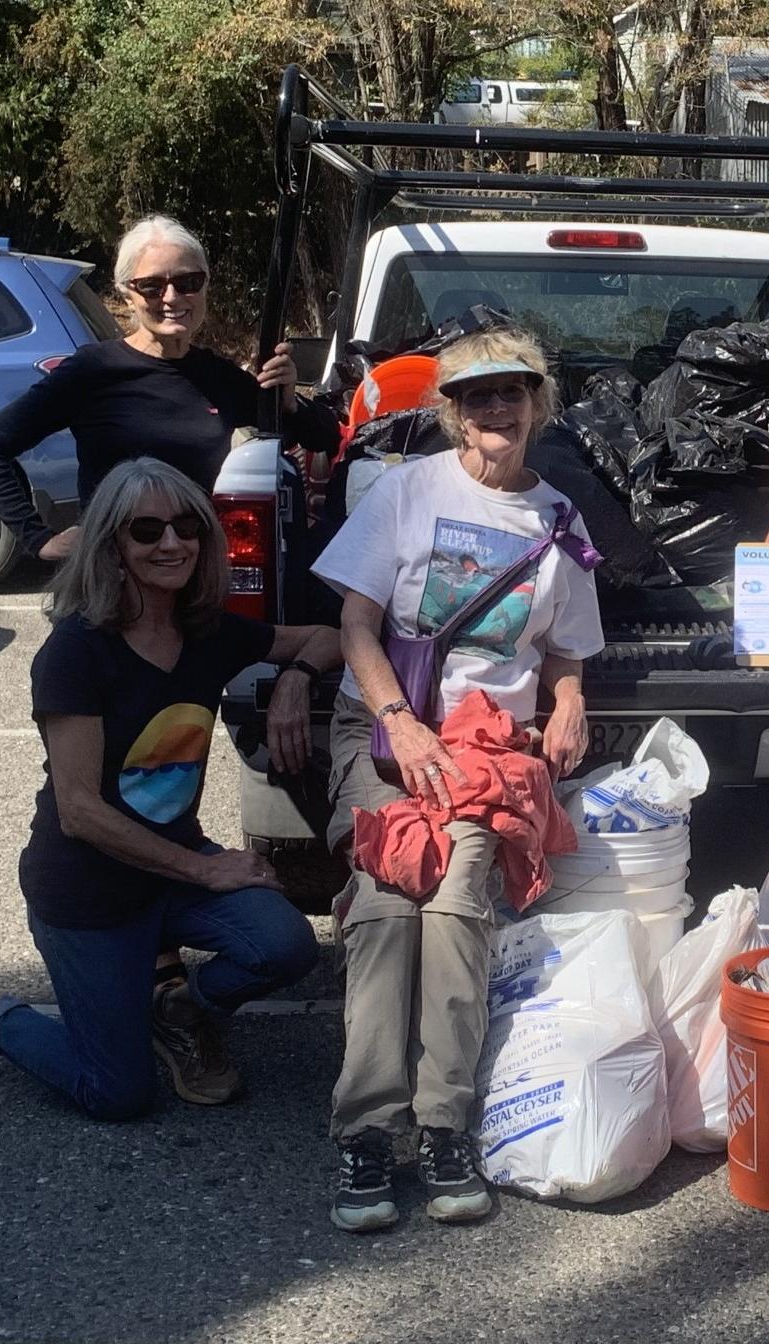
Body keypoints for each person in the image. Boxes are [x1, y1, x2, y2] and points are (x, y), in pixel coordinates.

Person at [0, 458, 336, 1116]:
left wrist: (297, 681)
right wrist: (207, 869)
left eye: (187, 526)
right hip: (89, 891)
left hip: (169, 873)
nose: (171, 543)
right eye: (147, 530)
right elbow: (79, 813)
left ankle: (176, 1007)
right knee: (116, 1093)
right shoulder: (78, 652)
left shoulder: (206, 630)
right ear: (112, 545)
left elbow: (325, 636)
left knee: (285, 945)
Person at [311, 326, 603, 1233]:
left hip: (488, 748)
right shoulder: (407, 491)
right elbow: (357, 626)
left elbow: (562, 648)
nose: (494, 410)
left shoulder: (558, 518)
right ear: (451, 411)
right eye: (476, 397)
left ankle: (441, 1124)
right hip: (390, 729)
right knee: (387, 903)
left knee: (458, 899)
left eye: (511, 393)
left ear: (536, 404)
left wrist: (568, 699)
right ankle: (366, 1130)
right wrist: (400, 721)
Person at [0, 213, 339, 564]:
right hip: (112, 580)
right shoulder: (93, 370)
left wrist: (289, 402)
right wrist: (40, 539)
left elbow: (323, 437)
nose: (172, 298)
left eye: (188, 282)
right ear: (127, 292)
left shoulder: (216, 376)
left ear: (205, 284)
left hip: (192, 576)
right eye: (152, 286)